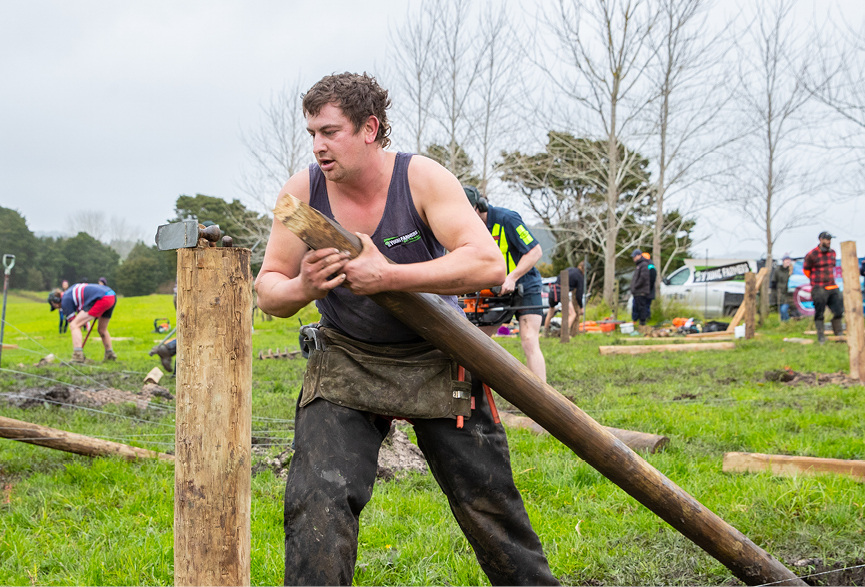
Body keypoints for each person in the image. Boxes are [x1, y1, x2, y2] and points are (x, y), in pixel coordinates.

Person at [254, 72, 558, 586]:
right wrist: (304, 286)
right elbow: (268, 292)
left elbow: (485, 262)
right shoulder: (303, 191)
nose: (318, 146)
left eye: (331, 131)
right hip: (348, 359)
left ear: (370, 128)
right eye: (312, 134)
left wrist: (389, 275)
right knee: (316, 501)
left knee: (490, 507)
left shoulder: (421, 178)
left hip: (438, 355)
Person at [464, 185, 547, 382]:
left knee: (528, 340)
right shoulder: (470, 230)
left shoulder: (507, 219)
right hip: (495, 292)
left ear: (481, 206)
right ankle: (475, 395)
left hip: (525, 286)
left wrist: (512, 277)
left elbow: (534, 251)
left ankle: (542, 402)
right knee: (476, 340)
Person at [48, 282, 117, 362]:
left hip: (102, 298)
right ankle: (110, 355)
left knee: (74, 325)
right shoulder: (69, 293)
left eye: (55, 307)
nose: (58, 308)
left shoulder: (65, 301)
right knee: (102, 330)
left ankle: (77, 356)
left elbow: (74, 323)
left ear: (54, 303)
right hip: (111, 295)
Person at [803, 231, 843, 343]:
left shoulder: (833, 253)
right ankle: (821, 337)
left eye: (830, 239)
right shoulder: (812, 254)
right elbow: (806, 270)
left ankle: (839, 334)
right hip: (818, 287)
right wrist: (815, 280)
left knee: (839, 310)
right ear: (820, 240)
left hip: (832, 286)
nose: (829, 241)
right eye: (827, 239)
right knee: (819, 313)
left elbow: (832, 267)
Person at [543, 262, 585, 337]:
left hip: (553, 289)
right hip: (562, 291)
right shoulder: (579, 276)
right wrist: (581, 307)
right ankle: (564, 334)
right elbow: (579, 295)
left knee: (550, 313)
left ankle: (545, 333)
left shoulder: (569, 269)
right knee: (573, 314)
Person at [631, 249, 652, 330]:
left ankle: (642, 323)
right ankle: (639, 323)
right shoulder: (639, 265)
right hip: (638, 291)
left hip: (641, 291)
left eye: (635, 256)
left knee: (641, 307)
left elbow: (643, 277)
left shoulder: (643, 265)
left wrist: (636, 286)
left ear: (639, 255)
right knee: (638, 307)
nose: (634, 258)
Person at [773, 255, 793, 322]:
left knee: (784, 309)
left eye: (789, 260)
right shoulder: (778, 270)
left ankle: (787, 323)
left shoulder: (792, 271)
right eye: (786, 260)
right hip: (780, 293)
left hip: (790, 294)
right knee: (781, 311)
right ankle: (784, 324)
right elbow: (774, 281)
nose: (788, 261)